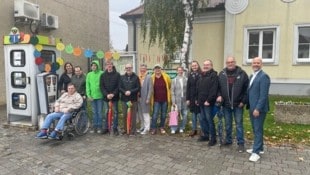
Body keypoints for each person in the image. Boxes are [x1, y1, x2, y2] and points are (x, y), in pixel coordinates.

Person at [216, 56, 249, 152]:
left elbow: (247, 89)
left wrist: (243, 101)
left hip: (238, 104)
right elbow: (218, 88)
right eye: (228, 62)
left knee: (239, 124)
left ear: (235, 62)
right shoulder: (222, 74)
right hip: (226, 104)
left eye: (232, 62)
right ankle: (229, 140)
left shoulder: (242, 74)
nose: (230, 64)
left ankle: (241, 143)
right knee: (228, 124)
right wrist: (219, 95)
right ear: (226, 63)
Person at [247, 57, 270, 162]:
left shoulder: (264, 76)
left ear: (261, 64)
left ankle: (255, 153)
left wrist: (258, 109)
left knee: (257, 129)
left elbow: (263, 95)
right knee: (256, 129)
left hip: (258, 109)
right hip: (252, 108)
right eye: (254, 63)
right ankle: (259, 148)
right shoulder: (252, 75)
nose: (255, 64)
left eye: (258, 63)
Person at [196, 59, 218, 146]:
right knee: (202, 119)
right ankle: (206, 135)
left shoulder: (214, 75)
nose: (205, 66)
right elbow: (198, 89)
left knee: (209, 120)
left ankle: (213, 138)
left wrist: (208, 100)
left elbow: (213, 90)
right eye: (204, 64)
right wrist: (197, 99)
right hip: (201, 102)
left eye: (207, 65)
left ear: (211, 66)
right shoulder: (202, 75)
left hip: (208, 103)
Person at [100, 60, 120, 135]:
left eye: (110, 64)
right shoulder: (102, 75)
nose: (109, 65)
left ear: (112, 65)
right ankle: (106, 128)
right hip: (106, 98)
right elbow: (101, 86)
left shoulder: (117, 75)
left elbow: (119, 86)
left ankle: (115, 128)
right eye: (107, 64)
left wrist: (113, 94)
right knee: (105, 113)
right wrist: (107, 94)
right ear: (106, 66)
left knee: (115, 113)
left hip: (115, 98)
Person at [119, 63, 140, 135]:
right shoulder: (122, 77)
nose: (128, 69)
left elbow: (138, 88)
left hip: (133, 99)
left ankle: (133, 130)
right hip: (124, 99)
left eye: (130, 68)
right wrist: (125, 92)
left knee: (133, 115)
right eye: (127, 68)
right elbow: (119, 87)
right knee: (125, 115)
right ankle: (125, 129)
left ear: (132, 68)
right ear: (125, 69)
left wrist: (130, 92)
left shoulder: (136, 77)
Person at [150, 64, 171, 135]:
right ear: (154, 70)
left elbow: (169, 85)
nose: (157, 70)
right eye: (156, 68)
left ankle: (162, 127)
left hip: (164, 99)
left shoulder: (166, 76)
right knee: (155, 114)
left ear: (161, 69)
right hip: (156, 100)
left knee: (163, 114)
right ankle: (153, 128)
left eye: (158, 68)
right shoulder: (152, 77)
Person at [86, 60, 104, 134]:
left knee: (99, 112)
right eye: (92, 65)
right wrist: (89, 95)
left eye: (95, 65)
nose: (93, 67)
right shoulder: (89, 74)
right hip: (92, 97)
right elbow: (87, 86)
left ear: (97, 66)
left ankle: (99, 126)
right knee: (94, 112)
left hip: (100, 96)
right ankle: (94, 126)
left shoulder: (102, 73)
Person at [186, 61, 201, 137]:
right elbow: (188, 88)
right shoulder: (190, 75)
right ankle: (194, 130)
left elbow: (201, 88)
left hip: (198, 98)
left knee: (200, 115)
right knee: (193, 115)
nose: (194, 67)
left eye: (195, 65)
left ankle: (202, 130)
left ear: (198, 66)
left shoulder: (201, 74)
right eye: (193, 66)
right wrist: (187, 99)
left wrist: (198, 99)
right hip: (191, 98)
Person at [170, 66, 188, 134]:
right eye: (179, 70)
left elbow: (188, 90)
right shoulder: (174, 80)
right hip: (177, 100)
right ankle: (174, 128)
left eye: (181, 70)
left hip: (184, 99)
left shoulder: (186, 79)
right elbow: (172, 92)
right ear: (177, 71)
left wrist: (188, 99)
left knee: (185, 114)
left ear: (183, 71)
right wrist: (173, 101)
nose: (180, 71)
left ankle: (182, 127)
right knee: (175, 114)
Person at [137, 64, 153, 135]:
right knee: (140, 114)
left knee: (146, 114)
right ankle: (142, 126)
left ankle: (147, 128)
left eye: (144, 68)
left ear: (146, 69)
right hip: (139, 98)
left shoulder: (149, 77)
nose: (142, 70)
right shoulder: (139, 77)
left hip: (145, 98)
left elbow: (150, 89)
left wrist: (148, 98)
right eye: (141, 68)